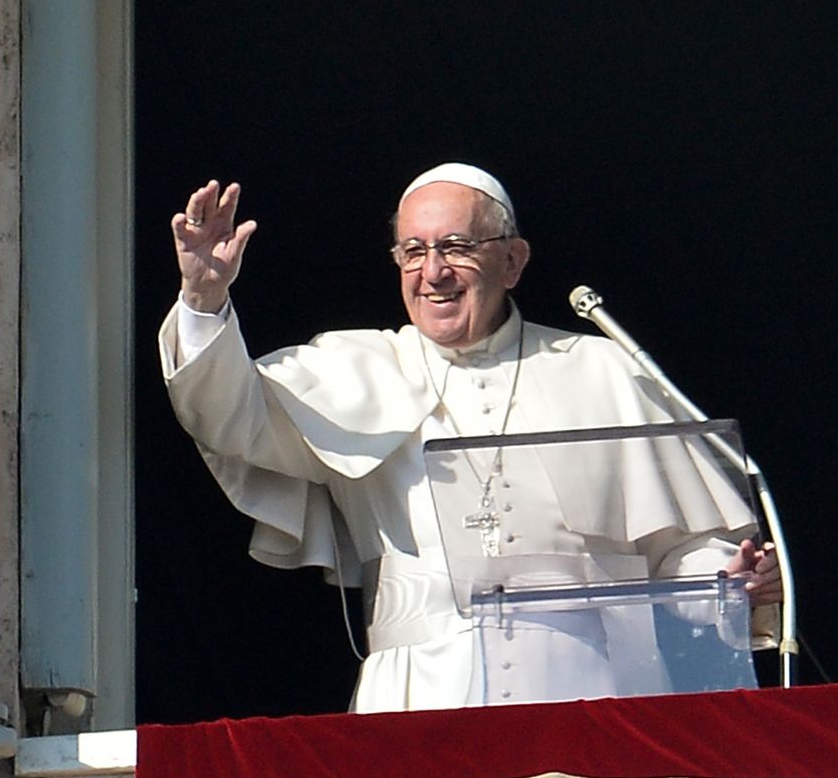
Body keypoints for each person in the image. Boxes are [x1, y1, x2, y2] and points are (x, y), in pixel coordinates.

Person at [160, 163, 782, 713]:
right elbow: (226, 414)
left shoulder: (601, 369)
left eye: (456, 247)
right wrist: (203, 298)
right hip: (420, 697)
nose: (433, 273)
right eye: (413, 251)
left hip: (595, 693)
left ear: (512, 261)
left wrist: (730, 581)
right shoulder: (353, 368)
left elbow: (687, 553)